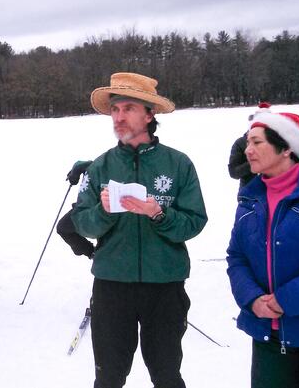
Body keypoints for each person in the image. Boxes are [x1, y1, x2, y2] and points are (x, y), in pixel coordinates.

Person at [71, 72, 208, 388]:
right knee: (108, 377)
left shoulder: (178, 164)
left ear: (149, 114)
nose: (119, 117)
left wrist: (158, 214)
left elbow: (195, 222)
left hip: (165, 285)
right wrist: (104, 211)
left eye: (129, 108)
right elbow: (81, 222)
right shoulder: (100, 166)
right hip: (112, 285)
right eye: (115, 109)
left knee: (167, 376)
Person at [226, 107, 299, 388]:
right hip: (268, 335)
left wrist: (286, 299)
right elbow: (236, 257)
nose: (247, 150)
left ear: (287, 148)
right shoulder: (250, 198)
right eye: (248, 142)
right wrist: (253, 299)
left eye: (257, 142)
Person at [57, 160, 95, 259]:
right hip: (85, 206)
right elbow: (79, 165)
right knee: (63, 228)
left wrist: (74, 175)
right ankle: (92, 252)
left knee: (63, 228)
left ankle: (91, 252)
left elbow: (79, 165)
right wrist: (74, 175)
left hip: (90, 208)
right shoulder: (97, 164)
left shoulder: (101, 165)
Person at [229, 103, 272, 189]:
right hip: (248, 192)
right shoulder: (240, 143)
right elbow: (233, 172)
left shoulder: (276, 141)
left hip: (274, 190)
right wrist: (254, 162)